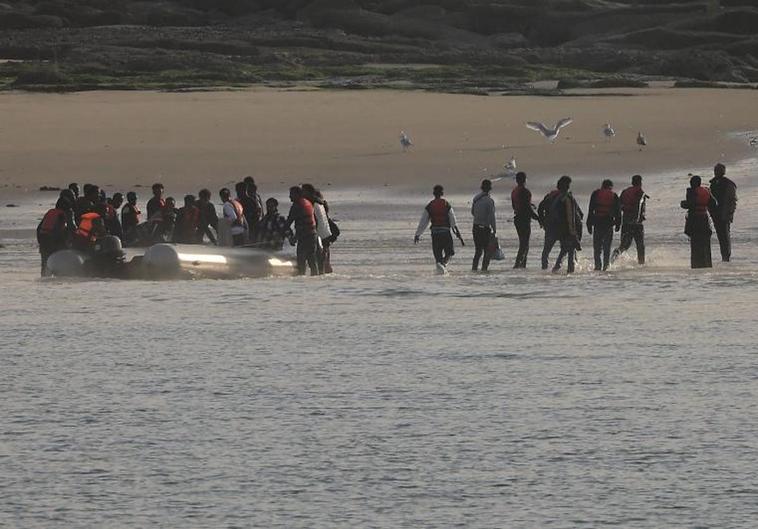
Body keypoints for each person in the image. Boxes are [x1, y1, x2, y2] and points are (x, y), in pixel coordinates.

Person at [414, 184, 462, 270]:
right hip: (445, 233)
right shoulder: (446, 204)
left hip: (435, 234)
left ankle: (440, 266)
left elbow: (423, 222)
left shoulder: (430, 206)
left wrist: (417, 234)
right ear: (442, 193)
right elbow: (453, 221)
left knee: (437, 255)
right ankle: (443, 265)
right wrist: (458, 234)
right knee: (450, 253)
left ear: (434, 193)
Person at [681, 175, 717, 269]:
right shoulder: (706, 191)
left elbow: (691, 204)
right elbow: (714, 203)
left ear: (692, 183)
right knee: (706, 246)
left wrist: (683, 204)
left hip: (694, 222)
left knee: (696, 247)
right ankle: (707, 266)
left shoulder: (691, 191)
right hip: (705, 221)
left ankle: (696, 267)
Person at [549, 176, 582, 274]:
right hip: (567, 230)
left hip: (559, 229)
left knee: (564, 250)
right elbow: (570, 217)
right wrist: (573, 233)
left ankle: (555, 270)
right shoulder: (567, 198)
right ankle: (569, 273)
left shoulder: (557, 198)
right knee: (570, 252)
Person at [612, 175, 647, 264]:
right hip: (637, 223)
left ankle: (612, 259)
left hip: (626, 222)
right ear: (640, 182)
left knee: (624, 246)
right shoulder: (640, 192)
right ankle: (641, 264)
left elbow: (618, 206)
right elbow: (639, 205)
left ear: (632, 182)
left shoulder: (625, 192)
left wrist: (618, 222)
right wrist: (638, 218)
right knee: (640, 246)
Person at [587, 179, 621, 271]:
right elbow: (618, 212)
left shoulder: (595, 194)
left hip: (597, 223)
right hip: (608, 224)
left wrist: (588, 224)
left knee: (597, 248)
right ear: (611, 187)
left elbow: (590, 210)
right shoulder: (614, 196)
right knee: (607, 247)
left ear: (602, 186)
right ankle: (605, 267)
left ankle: (597, 266)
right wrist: (618, 224)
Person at [285, 186, 319, 275]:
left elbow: (288, 222)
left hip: (304, 236)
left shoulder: (296, 206)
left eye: (291, 194)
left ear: (297, 195)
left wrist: (290, 237)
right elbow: (315, 221)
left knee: (301, 260)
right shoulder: (307, 203)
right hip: (313, 235)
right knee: (312, 260)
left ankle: (301, 278)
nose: (290, 197)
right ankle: (315, 278)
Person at [511, 171, 540, 268]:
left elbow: (515, 206)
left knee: (523, 243)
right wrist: (538, 218)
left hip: (517, 218)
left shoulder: (514, 191)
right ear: (524, 180)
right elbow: (527, 209)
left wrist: (529, 206)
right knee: (524, 245)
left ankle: (521, 266)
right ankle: (518, 265)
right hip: (524, 220)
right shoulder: (526, 192)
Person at [709, 163, 737, 262]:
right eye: (715, 170)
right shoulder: (713, 183)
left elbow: (732, 201)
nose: (716, 172)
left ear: (723, 172)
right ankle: (724, 257)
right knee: (721, 236)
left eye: (718, 170)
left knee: (725, 237)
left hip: (724, 214)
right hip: (716, 214)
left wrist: (729, 214)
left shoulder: (729, 184)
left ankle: (726, 258)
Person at [37, 198, 73, 276]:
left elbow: (39, 228)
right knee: (58, 262)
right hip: (53, 241)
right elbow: (61, 230)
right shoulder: (62, 214)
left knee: (45, 264)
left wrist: (40, 242)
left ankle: (44, 280)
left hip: (44, 240)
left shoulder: (50, 212)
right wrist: (66, 244)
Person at [302, 183, 332, 275]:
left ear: (307, 192)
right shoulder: (320, 202)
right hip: (325, 232)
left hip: (318, 232)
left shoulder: (312, 203)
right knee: (324, 257)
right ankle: (323, 274)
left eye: (303, 191)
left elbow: (315, 219)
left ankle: (318, 274)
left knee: (317, 256)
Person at [471, 178, 496, 271]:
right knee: (487, 251)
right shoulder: (490, 201)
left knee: (478, 251)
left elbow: (472, 212)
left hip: (476, 227)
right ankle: (484, 269)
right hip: (485, 228)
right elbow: (492, 217)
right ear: (490, 188)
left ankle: (474, 269)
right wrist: (494, 230)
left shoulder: (476, 199)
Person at [538, 184, 562, 270]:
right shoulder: (566, 197)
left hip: (550, 227)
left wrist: (542, 222)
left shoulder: (549, 197)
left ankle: (544, 268)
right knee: (566, 249)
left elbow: (540, 208)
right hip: (562, 227)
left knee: (546, 251)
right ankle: (559, 266)